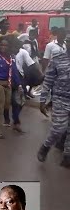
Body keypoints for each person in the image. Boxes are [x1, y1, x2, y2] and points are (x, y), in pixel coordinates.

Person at [36, 32, 70, 167]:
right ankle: (45, 146)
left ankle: (67, 156)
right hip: (61, 99)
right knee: (59, 128)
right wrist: (43, 100)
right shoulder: (57, 59)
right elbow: (48, 80)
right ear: (67, 43)